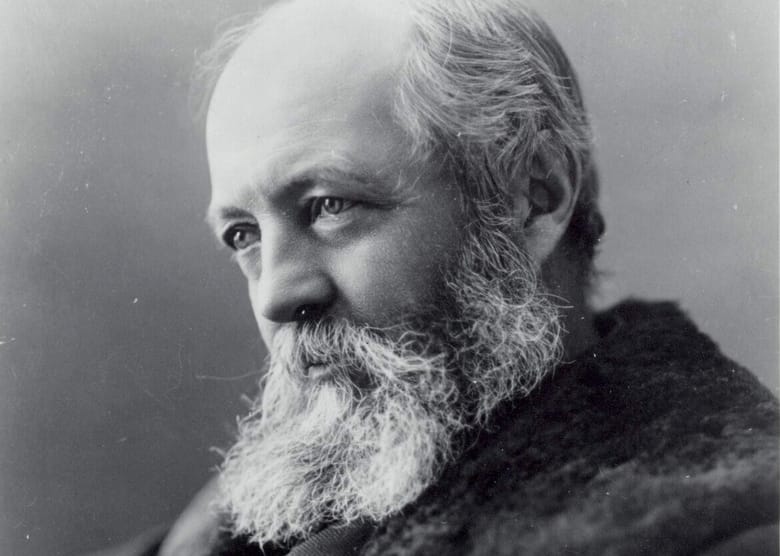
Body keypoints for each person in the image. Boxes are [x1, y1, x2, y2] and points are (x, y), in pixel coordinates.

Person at [97, 1, 778, 554]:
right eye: (242, 235)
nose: (276, 294)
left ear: (534, 197)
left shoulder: (733, 520)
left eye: (330, 206)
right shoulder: (230, 529)